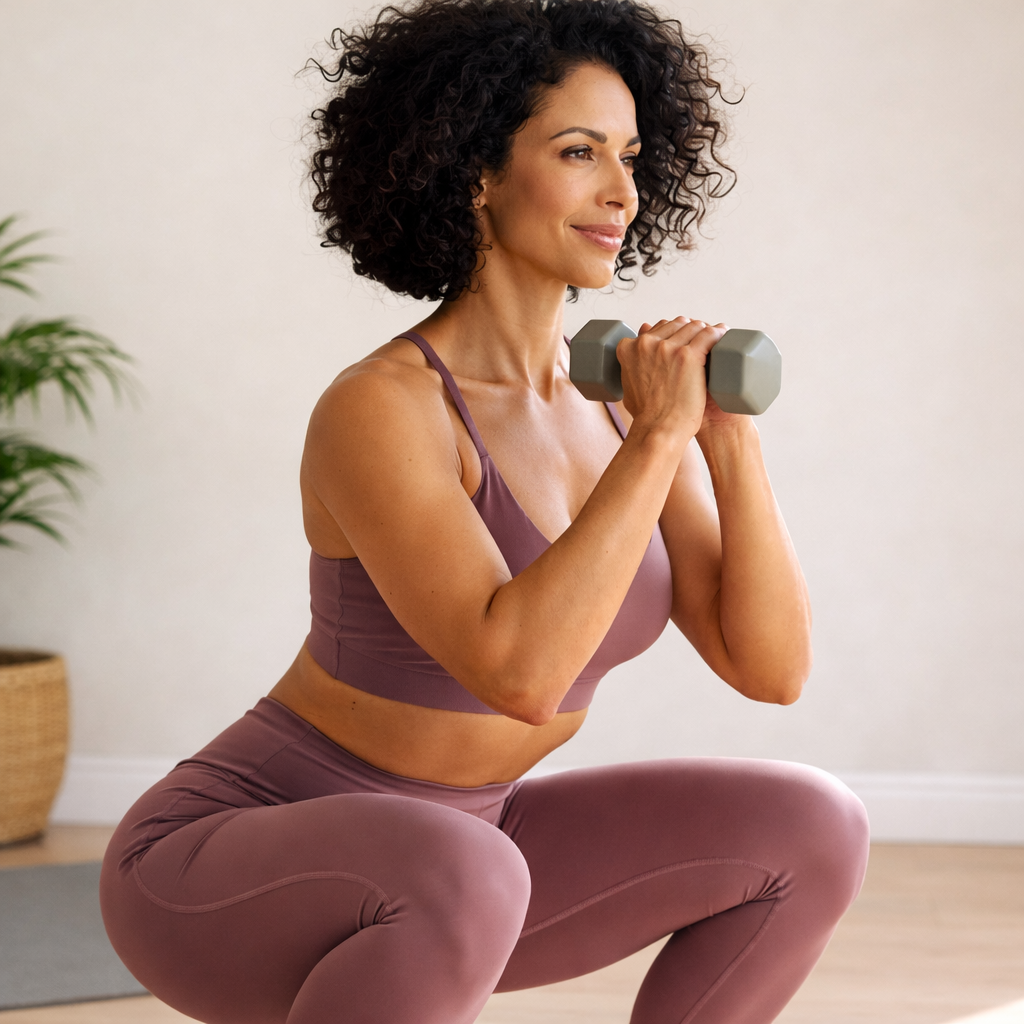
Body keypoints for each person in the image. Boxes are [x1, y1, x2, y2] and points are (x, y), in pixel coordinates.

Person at [100, 1, 870, 1021]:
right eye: (579, 152)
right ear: (475, 171)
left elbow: (769, 670)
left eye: (631, 156)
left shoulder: (618, 410)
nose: (622, 191)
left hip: (470, 856)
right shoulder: (383, 406)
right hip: (225, 868)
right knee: (467, 867)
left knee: (812, 823)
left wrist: (725, 442)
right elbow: (519, 675)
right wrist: (656, 441)